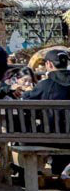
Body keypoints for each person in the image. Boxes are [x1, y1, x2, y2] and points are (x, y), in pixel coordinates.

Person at [18, 49, 70, 178]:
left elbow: (25, 103)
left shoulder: (44, 85)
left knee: (24, 130)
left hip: (48, 138)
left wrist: (26, 91)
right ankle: (61, 172)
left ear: (49, 65)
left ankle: (32, 174)